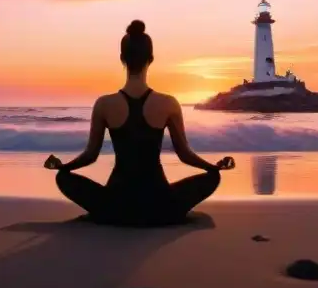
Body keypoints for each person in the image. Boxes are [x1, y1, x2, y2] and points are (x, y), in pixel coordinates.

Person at [44, 19, 235, 227]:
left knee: (63, 178)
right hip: (159, 205)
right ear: (151, 59)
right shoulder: (168, 103)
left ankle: (108, 214)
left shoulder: (104, 104)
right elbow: (184, 154)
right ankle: (163, 214)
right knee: (213, 178)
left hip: (116, 206)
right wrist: (213, 167)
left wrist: (64, 166)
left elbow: (90, 156)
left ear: (121, 59)